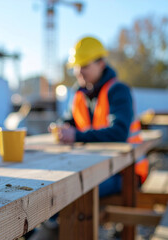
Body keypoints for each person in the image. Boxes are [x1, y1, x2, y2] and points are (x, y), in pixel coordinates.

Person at [56, 36, 148, 196]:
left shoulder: (118, 90)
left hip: (126, 171)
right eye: (76, 66)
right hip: (97, 166)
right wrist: (61, 128)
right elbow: (69, 121)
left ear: (101, 64)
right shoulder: (79, 94)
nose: (79, 72)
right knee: (60, 184)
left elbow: (119, 132)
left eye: (84, 65)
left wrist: (75, 136)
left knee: (70, 191)